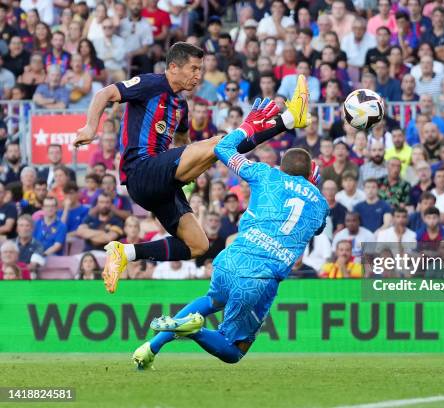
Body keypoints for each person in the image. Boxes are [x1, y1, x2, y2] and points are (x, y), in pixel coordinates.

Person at [73, 42, 310, 293]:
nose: (198, 76)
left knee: (198, 245)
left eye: (201, 69)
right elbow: (104, 94)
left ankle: (126, 252)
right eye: (194, 68)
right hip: (141, 171)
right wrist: (90, 127)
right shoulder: (150, 84)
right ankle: (288, 119)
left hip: (163, 183)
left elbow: (184, 143)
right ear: (173, 67)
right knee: (220, 144)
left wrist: (194, 166)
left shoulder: (180, 105)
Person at [132, 104, 327, 368]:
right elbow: (317, 227)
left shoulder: (265, 174)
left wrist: (248, 126)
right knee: (234, 351)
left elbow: (221, 149)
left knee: (211, 300)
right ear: (309, 176)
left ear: (282, 168)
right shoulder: (320, 203)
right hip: (259, 278)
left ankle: (151, 348)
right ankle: (194, 331)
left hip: (231, 260)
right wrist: (310, 187)